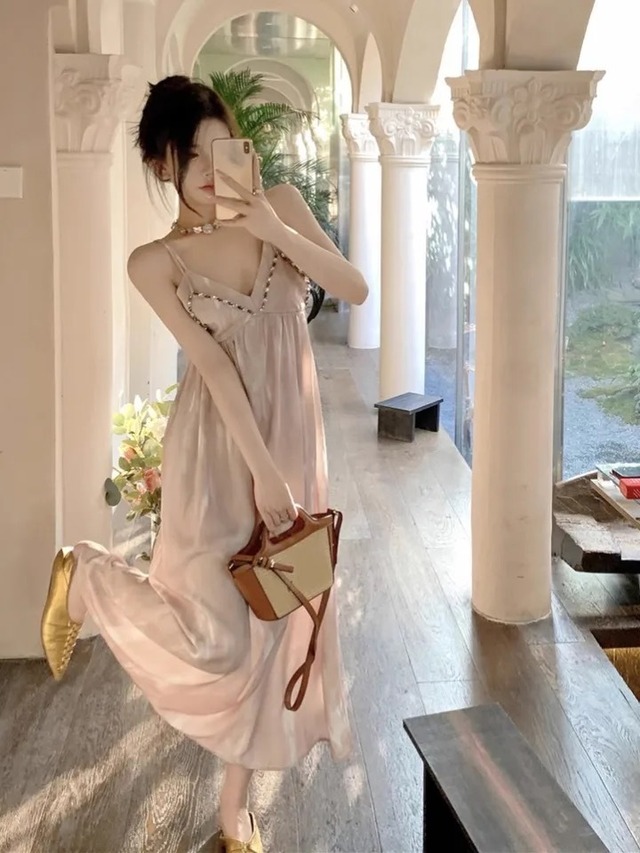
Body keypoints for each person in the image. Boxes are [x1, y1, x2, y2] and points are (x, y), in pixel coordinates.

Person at [40, 75, 368, 852]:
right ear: (164, 166)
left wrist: (275, 228)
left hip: (292, 439)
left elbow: (354, 287)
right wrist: (262, 472)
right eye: (196, 160)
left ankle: (232, 814)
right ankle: (87, 575)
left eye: (225, 150)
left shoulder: (281, 205)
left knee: (272, 622)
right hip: (220, 450)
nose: (216, 172)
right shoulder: (155, 262)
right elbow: (214, 368)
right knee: (219, 638)